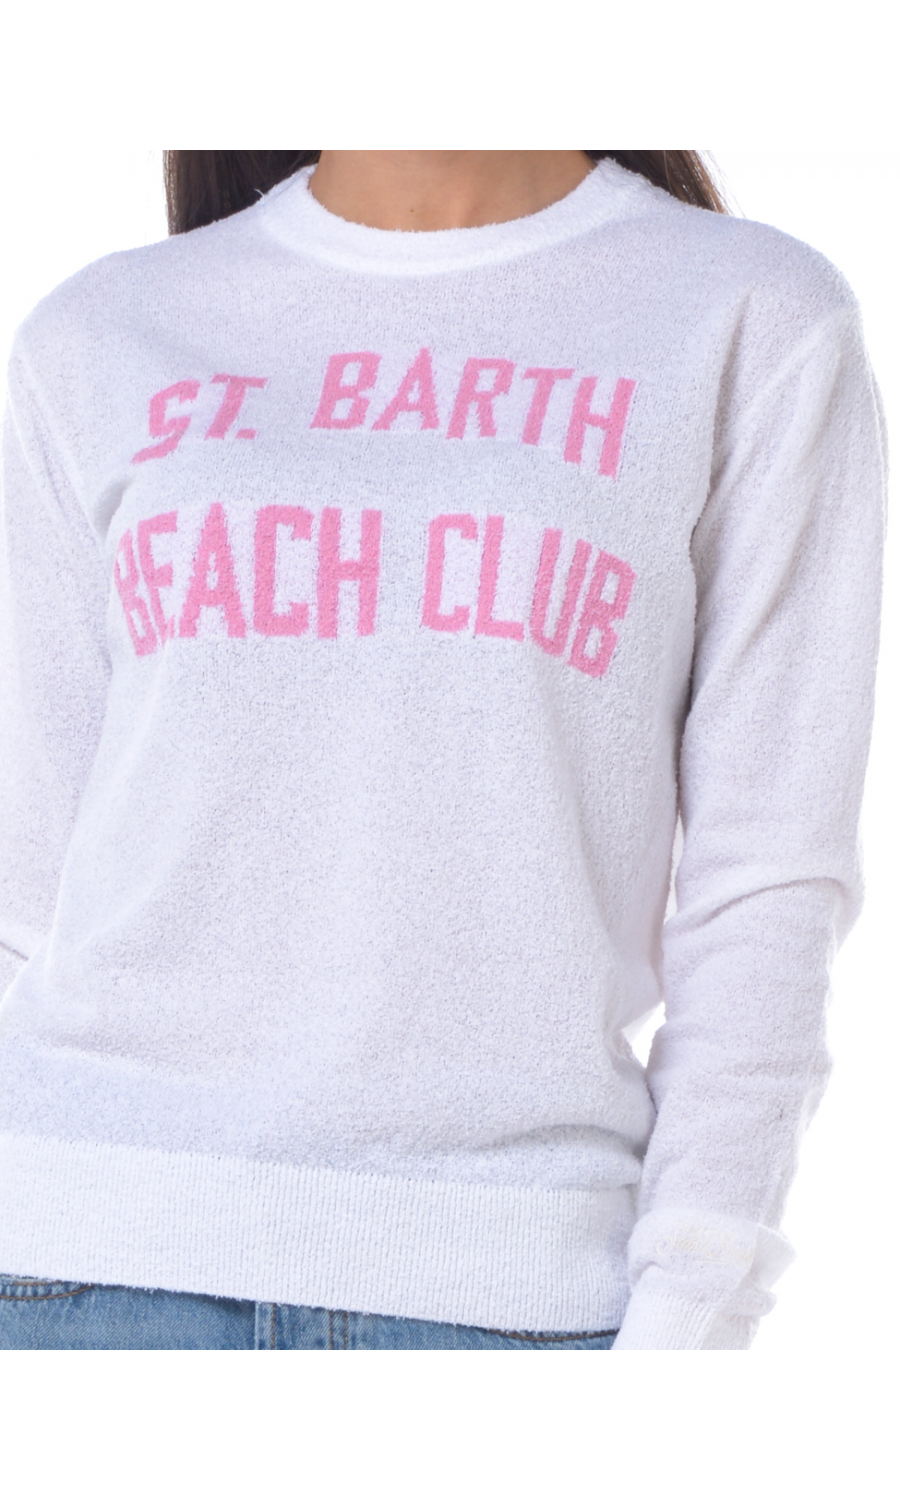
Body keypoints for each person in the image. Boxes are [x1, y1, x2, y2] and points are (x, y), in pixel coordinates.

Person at [0, 150, 885, 1350]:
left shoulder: (749, 316)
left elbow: (766, 881)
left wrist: (692, 1307)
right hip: (76, 1265)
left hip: (507, 1289)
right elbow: (27, 885)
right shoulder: (100, 330)